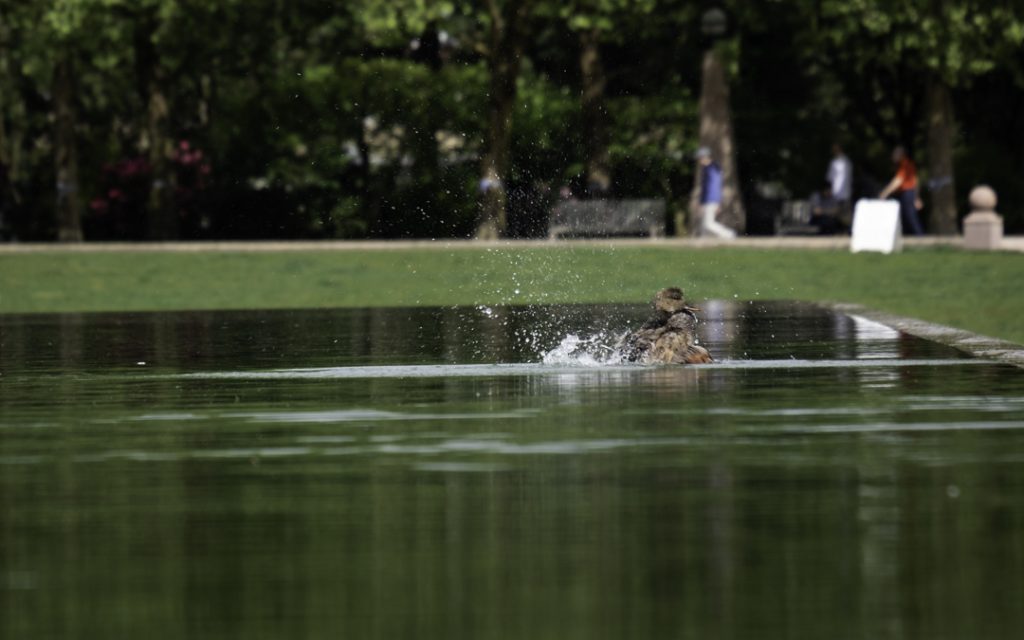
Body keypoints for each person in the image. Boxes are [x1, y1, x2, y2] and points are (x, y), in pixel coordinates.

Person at [879, 145, 924, 236]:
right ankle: (913, 236)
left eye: (895, 154)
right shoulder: (908, 164)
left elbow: (898, 181)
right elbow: (916, 181)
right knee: (907, 216)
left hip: (907, 193)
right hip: (908, 193)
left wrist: (884, 193)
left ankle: (920, 237)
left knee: (910, 216)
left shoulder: (905, 165)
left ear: (901, 155)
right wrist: (917, 197)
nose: (893, 157)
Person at [695, 147, 736, 238]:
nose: (699, 160)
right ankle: (704, 243)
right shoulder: (711, 168)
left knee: (708, 224)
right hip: (710, 199)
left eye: (700, 158)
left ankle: (728, 234)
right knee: (703, 225)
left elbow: (711, 187)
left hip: (710, 199)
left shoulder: (711, 169)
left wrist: (712, 201)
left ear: (704, 157)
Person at [827, 142, 853, 224]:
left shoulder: (846, 162)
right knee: (836, 210)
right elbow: (830, 178)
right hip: (836, 191)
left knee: (844, 211)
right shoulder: (834, 162)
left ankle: (844, 227)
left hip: (844, 191)